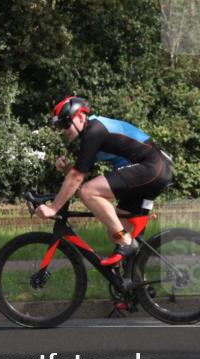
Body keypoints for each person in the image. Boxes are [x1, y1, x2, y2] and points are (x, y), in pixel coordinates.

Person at [35, 95, 172, 266]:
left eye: (65, 124)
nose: (62, 130)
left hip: (151, 168)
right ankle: (135, 284)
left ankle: (127, 243)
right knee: (116, 228)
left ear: (79, 117)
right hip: (150, 170)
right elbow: (80, 175)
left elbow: (78, 179)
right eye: (59, 126)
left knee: (89, 192)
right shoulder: (90, 134)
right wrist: (67, 168)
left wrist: (53, 208)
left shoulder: (95, 131)